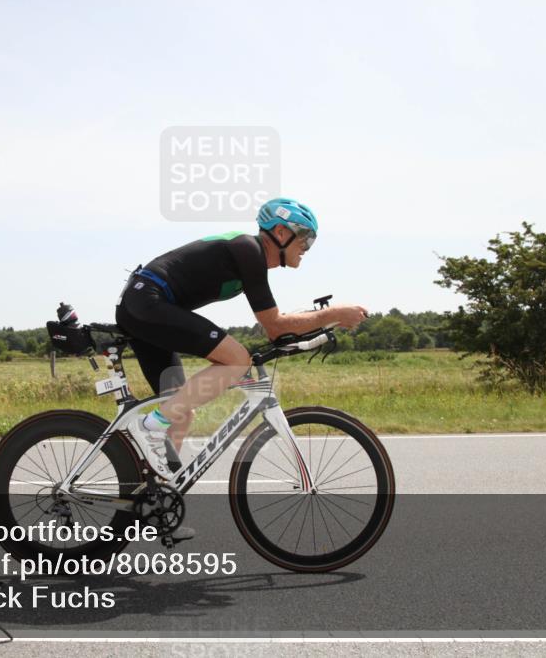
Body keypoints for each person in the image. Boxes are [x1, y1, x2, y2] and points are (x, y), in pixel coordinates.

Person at [114, 198, 369, 539]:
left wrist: (313, 326)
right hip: (148, 302)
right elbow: (274, 325)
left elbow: (277, 322)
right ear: (280, 232)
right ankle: (151, 426)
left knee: (179, 410)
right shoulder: (247, 250)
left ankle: (155, 502)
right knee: (236, 360)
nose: (307, 247)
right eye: (305, 238)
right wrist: (334, 314)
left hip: (147, 307)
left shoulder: (251, 258)